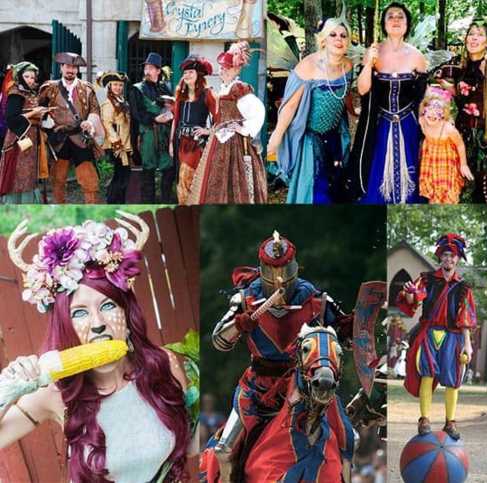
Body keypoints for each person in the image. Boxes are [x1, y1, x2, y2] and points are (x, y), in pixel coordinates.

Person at [1, 212, 191, 482]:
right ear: (66, 327)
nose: (98, 323)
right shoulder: (56, 391)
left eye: (107, 305)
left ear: (126, 316)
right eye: (79, 313)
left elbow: (191, 445)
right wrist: (6, 390)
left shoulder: (164, 364)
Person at [208, 231, 354, 480]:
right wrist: (239, 325)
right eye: (273, 273)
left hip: (305, 384)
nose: (279, 281)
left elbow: (345, 338)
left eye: (284, 272)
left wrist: (350, 327)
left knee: (349, 437)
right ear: (262, 269)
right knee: (225, 449)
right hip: (258, 386)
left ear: (294, 268)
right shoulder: (245, 299)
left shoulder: (315, 300)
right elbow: (218, 341)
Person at [397, 234, 477, 439]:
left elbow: (465, 317)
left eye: (452, 256)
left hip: (454, 336)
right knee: (427, 373)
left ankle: (450, 422)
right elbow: (414, 297)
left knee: (453, 380)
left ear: (457, 259)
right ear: (440, 257)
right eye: (445, 255)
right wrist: (408, 293)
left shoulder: (463, 287)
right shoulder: (427, 279)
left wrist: (467, 345)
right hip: (430, 333)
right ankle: (424, 419)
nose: (448, 259)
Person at [267, 15, 354, 204]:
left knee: (337, 183)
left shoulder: (348, 65)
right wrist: (277, 136)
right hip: (310, 138)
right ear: (323, 40)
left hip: (335, 136)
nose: (339, 39)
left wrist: (353, 111)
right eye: (333, 35)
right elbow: (290, 106)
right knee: (314, 188)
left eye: (343, 35)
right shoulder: (308, 66)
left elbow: (345, 93)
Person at [350, 2, 428, 204]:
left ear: (407, 23)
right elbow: (362, 89)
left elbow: (422, 98)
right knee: (377, 170)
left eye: (400, 16)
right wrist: (368, 63)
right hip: (380, 124)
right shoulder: (374, 52)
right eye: (390, 16)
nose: (395, 20)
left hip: (408, 123)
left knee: (411, 168)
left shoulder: (417, 57)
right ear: (383, 24)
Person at [187, 42, 267, 204]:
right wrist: (210, 131)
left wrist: (244, 129)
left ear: (236, 70)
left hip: (234, 145)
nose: (222, 70)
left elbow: (259, 110)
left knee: (234, 181)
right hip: (220, 142)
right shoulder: (225, 88)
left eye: (226, 68)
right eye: (221, 67)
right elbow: (222, 119)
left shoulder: (238, 89)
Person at [38, 52, 103, 204]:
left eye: (74, 67)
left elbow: (95, 110)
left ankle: (91, 211)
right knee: (57, 179)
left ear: (78, 70)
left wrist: (90, 123)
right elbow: (38, 110)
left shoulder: (87, 89)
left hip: (80, 138)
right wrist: (47, 121)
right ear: (61, 67)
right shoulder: (49, 88)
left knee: (89, 181)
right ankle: (61, 210)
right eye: (67, 66)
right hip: (58, 139)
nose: (71, 70)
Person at [451, 19, 487, 203]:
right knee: (463, 188)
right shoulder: (463, 66)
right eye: (471, 34)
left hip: (484, 138)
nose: (474, 38)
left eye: (480, 35)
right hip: (462, 135)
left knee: (485, 191)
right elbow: (464, 96)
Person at [169, 55, 216, 205]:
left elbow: (219, 117)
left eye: (191, 72)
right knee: (181, 179)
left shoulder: (207, 94)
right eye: (185, 73)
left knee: (188, 177)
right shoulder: (180, 95)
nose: (187, 75)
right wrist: (171, 142)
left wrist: (208, 131)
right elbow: (175, 120)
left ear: (198, 75)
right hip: (180, 142)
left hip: (196, 145)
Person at [0, 62, 50, 203]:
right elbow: (11, 118)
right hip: (18, 139)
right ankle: (16, 204)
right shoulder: (16, 93)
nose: (30, 80)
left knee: (30, 173)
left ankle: (29, 203)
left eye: (32, 77)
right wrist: (34, 112)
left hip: (32, 137)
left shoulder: (30, 92)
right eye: (26, 76)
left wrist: (41, 113)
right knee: (19, 173)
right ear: (19, 76)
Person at [129, 52, 175, 203]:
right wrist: (154, 118)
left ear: (158, 71)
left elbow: (173, 108)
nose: (147, 71)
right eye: (146, 68)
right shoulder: (137, 89)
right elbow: (137, 113)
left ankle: (166, 202)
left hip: (165, 135)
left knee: (168, 170)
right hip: (148, 134)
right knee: (148, 172)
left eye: (151, 68)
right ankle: (148, 203)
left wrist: (170, 113)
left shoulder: (165, 88)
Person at [418, 87, 474, 203]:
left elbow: (460, 145)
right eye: (429, 113)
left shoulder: (448, 129)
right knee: (433, 193)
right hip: (430, 159)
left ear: (443, 114)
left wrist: (463, 165)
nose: (432, 117)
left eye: (437, 114)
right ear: (424, 110)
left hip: (446, 160)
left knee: (448, 192)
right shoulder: (422, 121)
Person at [98, 71, 133, 204]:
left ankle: (120, 202)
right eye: (115, 85)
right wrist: (116, 142)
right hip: (116, 146)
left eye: (120, 85)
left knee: (124, 176)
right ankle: (112, 202)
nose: (118, 87)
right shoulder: (108, 104)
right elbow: (107, 124)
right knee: (119, 176)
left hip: (126, 143)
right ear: (110, 86)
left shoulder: (122, 101)